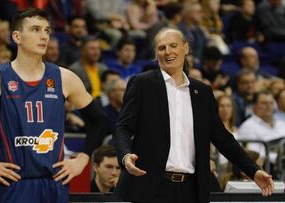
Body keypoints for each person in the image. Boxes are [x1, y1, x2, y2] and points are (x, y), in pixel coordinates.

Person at [0, 8, 109, 203]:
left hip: (54, 185)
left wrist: (82, 161)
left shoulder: (64, 78)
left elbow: (100, 120)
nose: (43, 36)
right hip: (14, 185)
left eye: (47, 30)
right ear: (17, 36)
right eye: (35, 29)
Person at [113, 28, 274, 203]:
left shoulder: (203, 92)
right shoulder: (142, 83)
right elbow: (122, 127)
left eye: (173, 45)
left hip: (191, 190)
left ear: (186, 48)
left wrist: (254, 171)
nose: (168, 52)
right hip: (151, 188)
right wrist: (125, 155)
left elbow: (222, 138)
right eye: (161, 48)